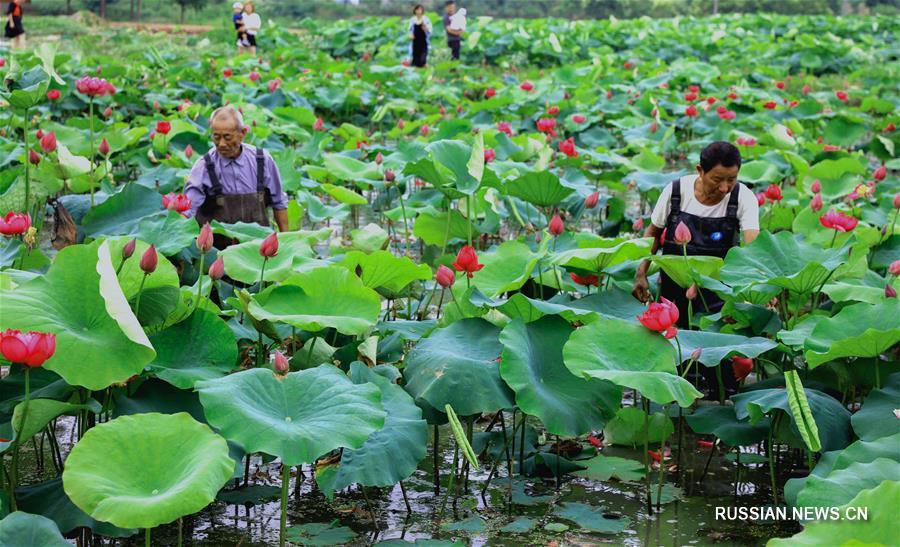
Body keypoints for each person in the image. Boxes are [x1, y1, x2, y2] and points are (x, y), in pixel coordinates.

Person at [632, 141, 760, 395]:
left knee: (719, 370)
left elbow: (753, 247)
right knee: (674, 362)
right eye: (717, 179)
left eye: (731, 179)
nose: (724, 187)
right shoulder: (676, 191)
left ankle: (719, 400)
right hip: (674, 288)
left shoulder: (742, 197)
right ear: (700, 170)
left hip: (718, 289)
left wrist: (757, 291)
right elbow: (653, 235)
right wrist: (641, 272)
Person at [184, 106, 289, 249]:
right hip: (218, 252)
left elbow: (279, 204)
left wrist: (286, 244)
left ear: (243, 133)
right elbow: (187, 210)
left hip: (257, 248)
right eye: (216, 137)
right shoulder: (204, 166)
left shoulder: (262, 160)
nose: (221, 144)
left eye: (227, 137)